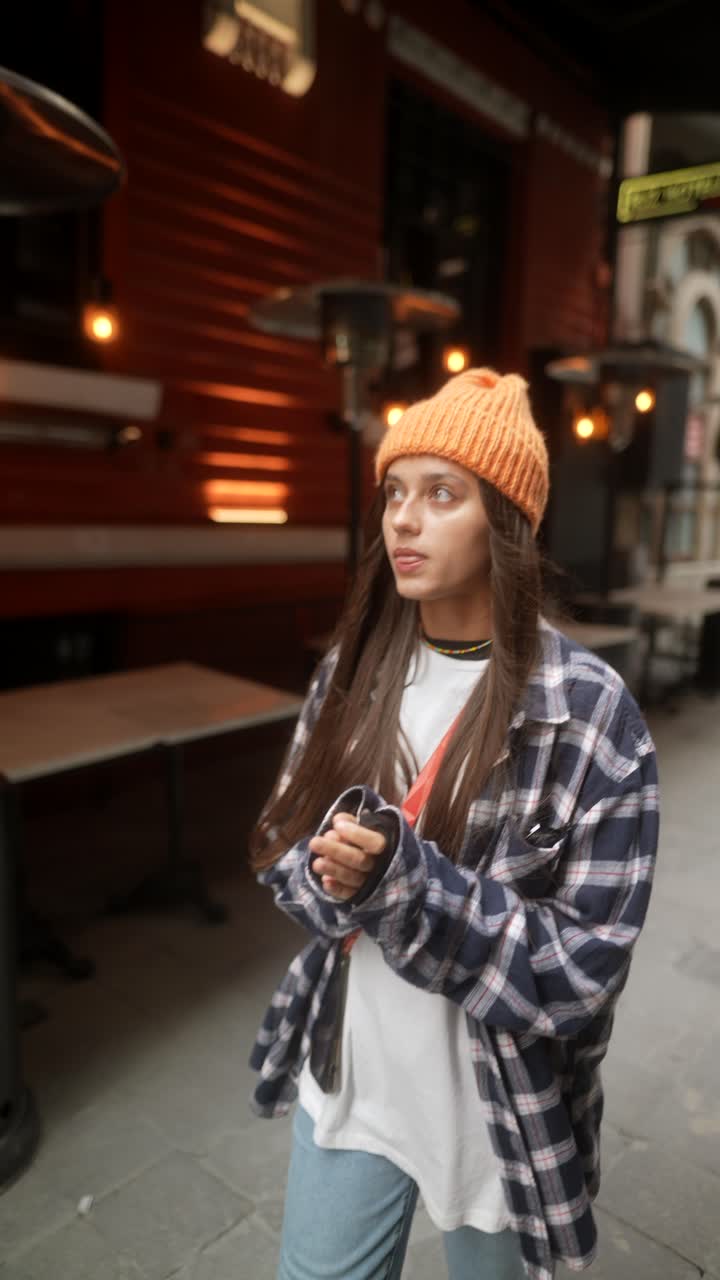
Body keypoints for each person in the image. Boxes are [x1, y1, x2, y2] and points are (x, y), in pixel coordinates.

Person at [248, 368, 660, 1280]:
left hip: (495, 1107)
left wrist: (407, 886)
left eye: (442, 493)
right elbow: (279, 840)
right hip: (350, 1067)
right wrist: (328, 872)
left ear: (505, 520)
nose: (403, 519)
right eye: (395, 492)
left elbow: (584, 967)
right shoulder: (355, 671)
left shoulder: (591, 714)